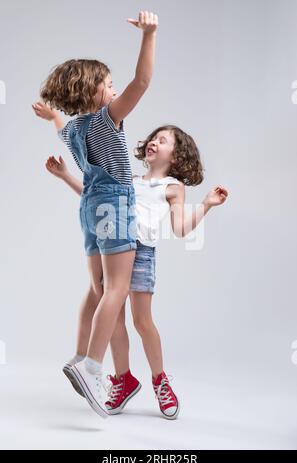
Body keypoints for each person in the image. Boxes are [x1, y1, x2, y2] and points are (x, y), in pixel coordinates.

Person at [44, 125, 228, 420]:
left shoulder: (171, 187)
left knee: (142, 321)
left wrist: (206, 205)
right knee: (114, 318)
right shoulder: (128, 180)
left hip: (141, 253)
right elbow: (96, 197)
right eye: (154, 137)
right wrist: (66, 176)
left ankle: (160, 380)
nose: (155, 141)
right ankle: (123, 378)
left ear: (177, 157)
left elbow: (180, 229)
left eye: (163, 140)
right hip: (115, 249)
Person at [32, 11, 159, 419]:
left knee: (97, 288)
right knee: (116, 290)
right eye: (108, 84)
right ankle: (92, 365)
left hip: (89, 207)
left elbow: (60, 127)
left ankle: (80, 356)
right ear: (94, 94)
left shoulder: (73, 130)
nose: (115, 88)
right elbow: (142, 83)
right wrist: (149, 36)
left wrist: (53, 115)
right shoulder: (107, 119)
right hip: (115, 204)